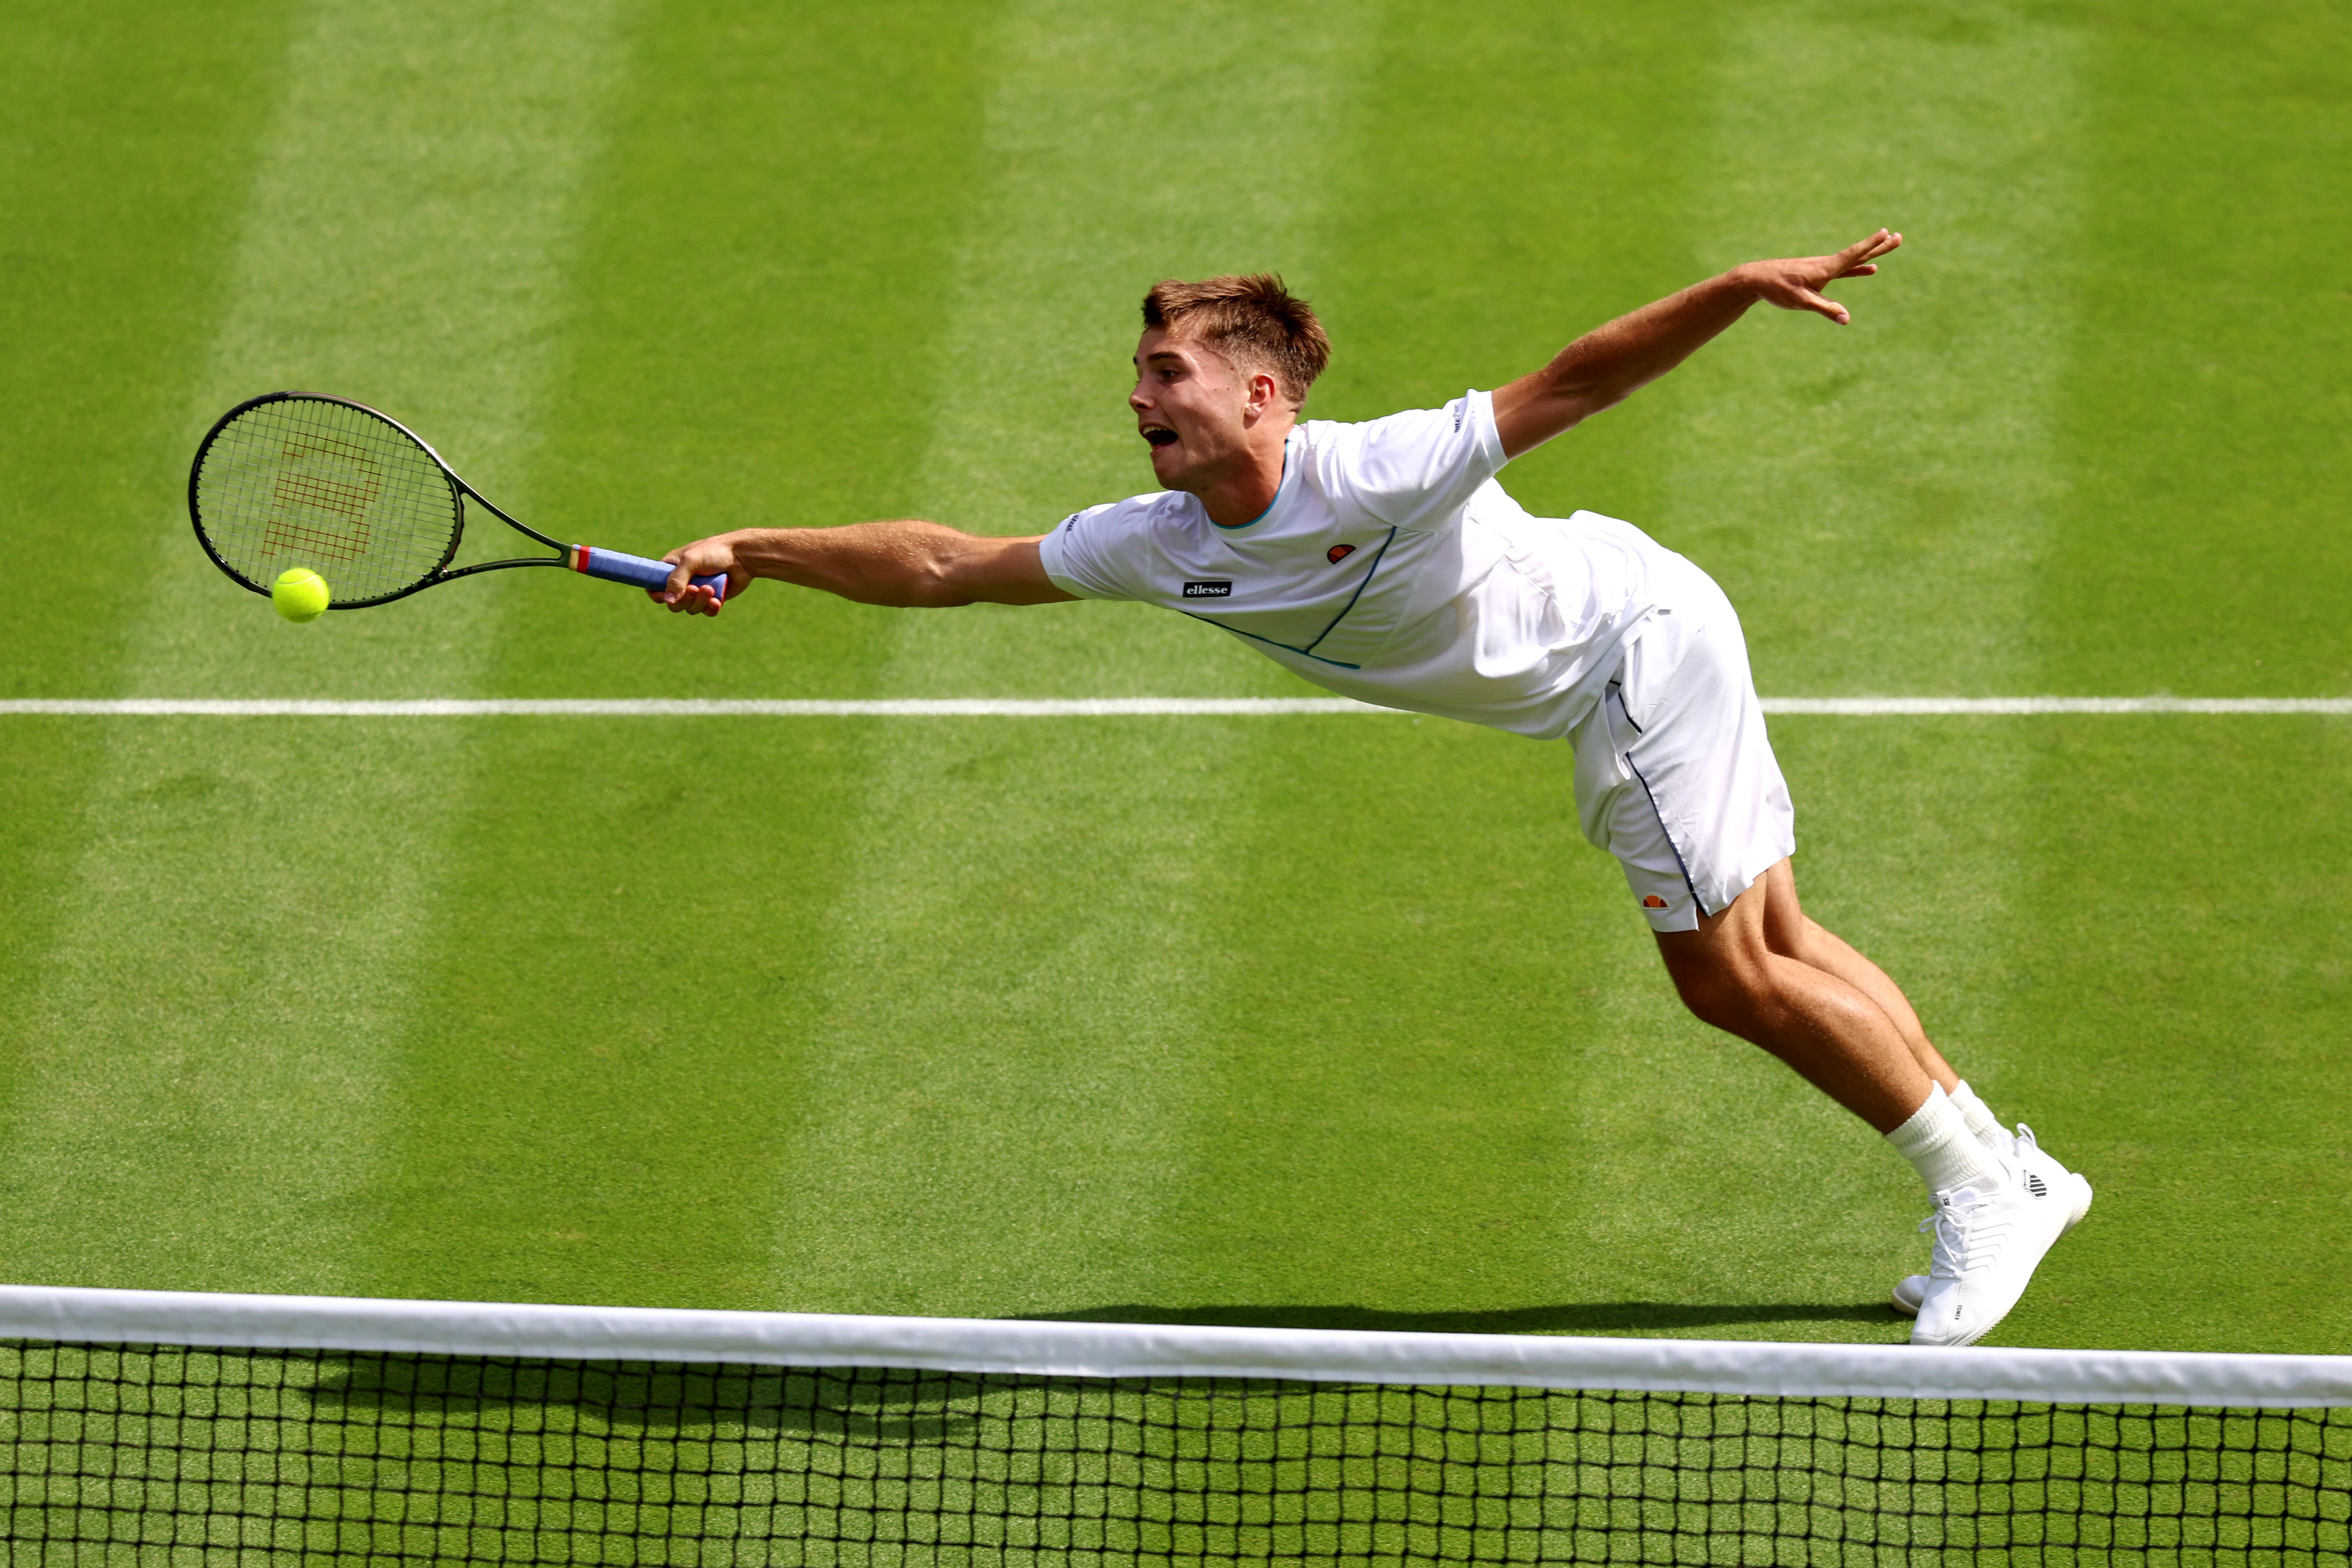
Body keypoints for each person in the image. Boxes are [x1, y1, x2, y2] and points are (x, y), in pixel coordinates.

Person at [650, 231, 2091, 1346]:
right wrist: (756, 548)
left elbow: (1577, 377)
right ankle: (2002, 1169)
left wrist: (1733, 285)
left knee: (1724, 974)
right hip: (1643, 631)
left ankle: (1976, 1187)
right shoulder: (1157, 539)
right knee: (1772, 939)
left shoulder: (1378, 470)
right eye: (1143, 372)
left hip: (1627, 652)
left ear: (1261, 394)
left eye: (1171, 376)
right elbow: (951, 562)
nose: (1138, 392)